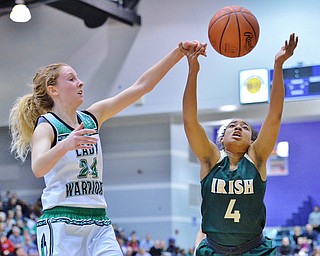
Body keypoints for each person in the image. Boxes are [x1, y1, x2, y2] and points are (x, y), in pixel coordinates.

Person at [9, 40, 206, 256]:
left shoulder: (93, 117)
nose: (80, 83)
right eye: (72, 79)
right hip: (62, 222)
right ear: (53, 89)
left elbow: (142, 86)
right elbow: (38, 168)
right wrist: (66, 144)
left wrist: (179, 52)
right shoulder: (47, 126)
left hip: (98, 222)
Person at [179, 33, 298, 256]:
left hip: (255, 250)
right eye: (232, 125)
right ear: (221, 139)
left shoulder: (257, 158)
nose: (237, 128)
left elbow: (274, 116)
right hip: (213, 250)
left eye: (244, 127)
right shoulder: (210, 159)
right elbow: (189, 122)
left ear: (252, 140)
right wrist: (193, 71)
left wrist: (278, 65)